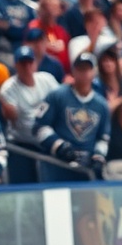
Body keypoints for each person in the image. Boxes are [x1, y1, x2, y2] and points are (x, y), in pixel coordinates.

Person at [35, 52, 112, 182]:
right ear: (73, 71)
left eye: (87, 69)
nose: (84, 73)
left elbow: (103, 138)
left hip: (86, 169)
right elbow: (39, 126)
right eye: (80, 69)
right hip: (58, 166)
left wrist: (98, 157)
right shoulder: (56, 95)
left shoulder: (101, 105)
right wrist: (59, 146)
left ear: (94, 72)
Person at [0, 46, 60, 183]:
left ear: (35, 63)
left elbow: (61, 101)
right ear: (16, 65)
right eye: (23, 63)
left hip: (47, 143)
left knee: (50, 186)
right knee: (24, 187)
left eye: (29, 62)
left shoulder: (46, 79)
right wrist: (7, 111)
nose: (27, 67)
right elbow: (12, 117)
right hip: (22, 146)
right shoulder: (9, 87)